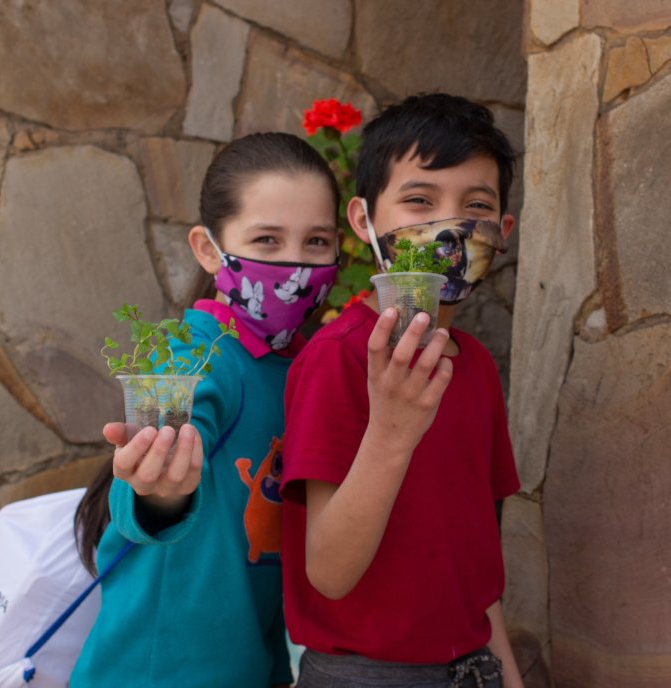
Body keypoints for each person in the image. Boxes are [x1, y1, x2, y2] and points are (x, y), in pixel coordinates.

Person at [70, 132, 340, 687]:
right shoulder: (186, 351)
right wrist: (159, 488)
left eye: (316, 241)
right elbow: (144, 480)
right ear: (206, 248)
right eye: (266, 240)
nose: (294, 261)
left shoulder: (300, 365)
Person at [280, 93, 525, 688]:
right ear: (364, 221)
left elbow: (473, 571)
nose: (448, 225)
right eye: (419, 200)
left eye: (476, 205)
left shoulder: (475, 370)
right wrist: (391, 431)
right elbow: (330, 572)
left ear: (501, 232)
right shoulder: (338, 360)